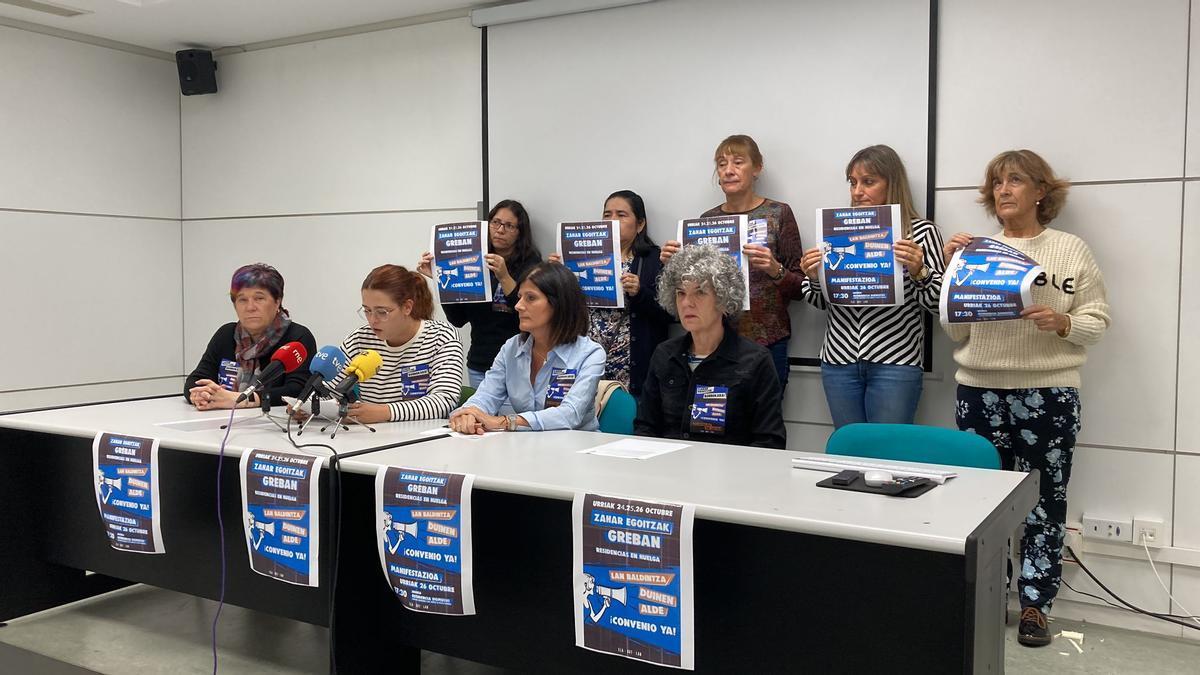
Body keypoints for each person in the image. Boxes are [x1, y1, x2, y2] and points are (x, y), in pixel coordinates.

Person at [944, 150, 1110, 648]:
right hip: (979, 390)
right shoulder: (977, 252)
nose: (1003, 190)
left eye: (1015, 180)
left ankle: (1036, 605)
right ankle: (990, 600)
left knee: (1044, 503)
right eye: (996, 182)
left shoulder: (1071, 249)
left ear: (1041, 190)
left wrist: (1064, 323)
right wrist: (958, 275)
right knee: (981, 503)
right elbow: (953, 330)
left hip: (1049, 392)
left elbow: (1097, 320)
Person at [798, 144, 947, 427]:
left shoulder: (920, 232)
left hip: (895, 360)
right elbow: (818, 301)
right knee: (850, 450)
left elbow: (938, 302)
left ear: (892, 183)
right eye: (853, 182)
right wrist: (814, 277)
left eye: (868, 182)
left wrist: (920, 271)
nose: (857, 191)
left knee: (888, 456)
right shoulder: (836, 229)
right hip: (838, 360)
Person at [660, 134, 805, 390]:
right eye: (722, 163)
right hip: (714, 339)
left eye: (738, 162)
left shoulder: (778, 213)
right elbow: (691, 285)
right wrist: (673, 262)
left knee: (762, 422)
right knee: (713, 420)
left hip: (767, 339)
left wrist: (774, 269)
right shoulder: (706, 220)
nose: (728, 171)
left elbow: (801, 289)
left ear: (757, 168)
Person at [634, 245, 785, 448]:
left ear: (724, 299)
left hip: (729, 473)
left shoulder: (755, 361)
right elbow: (645, 428)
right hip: (668, 470)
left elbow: (769, 442)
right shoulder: (664, 354)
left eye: (700, 292)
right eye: (680, 293)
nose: (687, 303)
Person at [449, 262, 604, 433]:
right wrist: (469, 414)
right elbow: (486, 396)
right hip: (527, 448)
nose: (518, 306)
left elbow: (570, 414)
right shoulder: (512, 348)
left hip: (577, 449)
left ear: (559, 303)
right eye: (520, 297)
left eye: (530, 298)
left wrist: (505, 422)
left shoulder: (590, 354)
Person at [548, 190, 672, 396]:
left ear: (640, 224)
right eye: (607, 215)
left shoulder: (654, 259)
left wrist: (640, 292)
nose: (612, 220)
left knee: (624, 420)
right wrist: (554, 275)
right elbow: (559, 308)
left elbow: (670, 313)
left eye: (621, 215)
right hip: (583, 360)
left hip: (631, 366)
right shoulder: (580, 255)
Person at [418, 200, 542, 388]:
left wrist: (504, 276)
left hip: (520, 363)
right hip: (481, 362)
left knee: (511, 417)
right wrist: (441, 280)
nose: (500, 230)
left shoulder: (531, 265)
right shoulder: (474, 259)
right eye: (495, 222)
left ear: (520, 232)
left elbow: (529, 318)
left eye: (509, 226)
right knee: (479, 416)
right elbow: (458, 319)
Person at [327, 265, 465, 424]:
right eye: (367, 310)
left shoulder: (441, 337)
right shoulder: (360, 339)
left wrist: (384, 412)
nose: (372, 320)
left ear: (407, 307)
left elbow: (444, 401)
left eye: (382, 312)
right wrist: (309, 406)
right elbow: (330, 391)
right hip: (367, 437)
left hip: (421, 438)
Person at [185, 263, 316, 409]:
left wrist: (242, 399)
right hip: (221, 420)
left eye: (259, 298)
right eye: (242, 300)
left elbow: (297, 391)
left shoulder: (297, 337)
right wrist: (201, 394)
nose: (250, 307)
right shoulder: (226, 334)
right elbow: (196, 379)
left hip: (272, 425)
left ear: (277, 301)